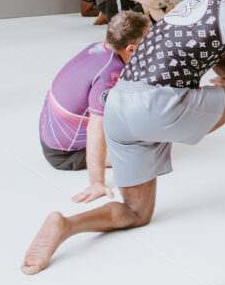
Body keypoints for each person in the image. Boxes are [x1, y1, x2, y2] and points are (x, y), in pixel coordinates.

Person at [21, 0, 225, 276]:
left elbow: (217, 57)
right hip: (156, 107)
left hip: (119, 107)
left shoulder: (198, 0)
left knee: (136, 212)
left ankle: (66, 224)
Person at [38, 12, 152, 202]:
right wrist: (96, 182)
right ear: (131, 49)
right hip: (65, 154)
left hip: (50, 137)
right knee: (146, 150)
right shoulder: (110, 74)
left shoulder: (98, 48)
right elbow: (95, 128)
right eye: (148, 42)